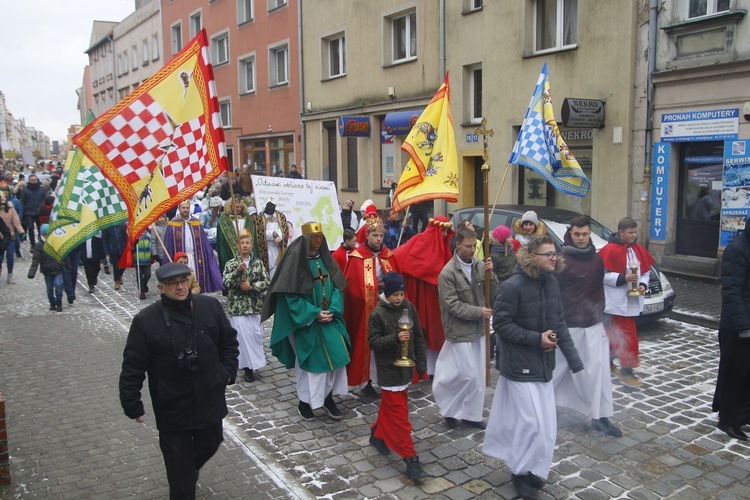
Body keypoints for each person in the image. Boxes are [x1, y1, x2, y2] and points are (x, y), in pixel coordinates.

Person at [119, 262, 239, 499]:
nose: (180, 287)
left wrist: (227, 371)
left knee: (211, 442)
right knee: (179, 472)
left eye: (184, 281)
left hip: (209, 398)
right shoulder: (146, 321)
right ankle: (182, 477)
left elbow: (228, 342)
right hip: (172, 405)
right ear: (161, 288)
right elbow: (133, 365)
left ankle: (187, 469)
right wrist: (131, 403)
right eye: (173, 284)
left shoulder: (210, 307)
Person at [484, 235, 583, 499]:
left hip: (543, 366)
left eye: (555, 253)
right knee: (530, 423)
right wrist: (535, 339)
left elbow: (559, 322)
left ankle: (533, 469)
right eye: (548, 253)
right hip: (518, 366)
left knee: (546, 425)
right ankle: (519, 471)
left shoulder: (551, 283)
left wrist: (575, 362)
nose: (554, 257)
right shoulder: (513, 286)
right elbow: (501, 325)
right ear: (532, 257)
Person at [262, 222, 350, 420]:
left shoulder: (325, 260)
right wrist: (314, 313)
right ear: (306, 238)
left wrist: (333, 310)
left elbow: (337, 286)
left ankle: (327, 398)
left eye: (320, 238)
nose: (318, 241)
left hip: (329, 319)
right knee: (309, 364)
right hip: (306, 322)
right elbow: (289, 298)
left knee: (336, 357)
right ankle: (304, 402)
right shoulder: (295, 262)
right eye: (314, 238)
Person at [552, 216, 621, 437]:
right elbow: (554, 293)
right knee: (556, 371)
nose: (581, 239)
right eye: (577, 234)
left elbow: (599, 288)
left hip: (592, 323)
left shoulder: (597, 260)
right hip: (567, 325)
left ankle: (600, 417)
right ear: (570, 234)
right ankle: (544, 409)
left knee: (598, 371)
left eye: (585, 234)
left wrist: (601, 312)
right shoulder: (560, 260)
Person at [433, 226, 497, 429]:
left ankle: (472, 415)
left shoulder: (480, 265)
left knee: (478, 376)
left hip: (478, 329)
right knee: (464, 374)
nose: (472, 249)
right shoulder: (447, 273)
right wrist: (479, 311)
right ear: (458, 244)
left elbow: (493, 292)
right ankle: (448, 407)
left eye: (474, 245)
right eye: (468, 246)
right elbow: (452, 305)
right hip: (459, 330)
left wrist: (491, 274)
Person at [368, 271, 428, 480]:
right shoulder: (377, 314)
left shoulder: (408, 308)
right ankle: (410, 458)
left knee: (391, 406)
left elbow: (418, 338)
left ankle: (377, 435)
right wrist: (395, 338)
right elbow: (373, 342)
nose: (400, 298)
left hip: (405, 369)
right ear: (388, 293)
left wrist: (421, 367)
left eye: (402, 294)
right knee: (400, 416)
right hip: (388, 370)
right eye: (396, 295)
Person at [344, 205, 400, 397]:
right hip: (365, 309)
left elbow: (396, 278)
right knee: (367, 342)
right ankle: (364, 381)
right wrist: (377, 289)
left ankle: (383, 376)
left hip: (384, 307)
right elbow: (353, 288)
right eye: (375, 235)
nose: (378, 239)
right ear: (367, 235)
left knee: (385, 341)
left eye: (381, 236)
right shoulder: (357, 257)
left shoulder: (387, 255)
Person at [393, 216, 454, 375]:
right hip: (418, 292)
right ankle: (420, 367)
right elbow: (398, 256)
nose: (445, 234)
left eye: (447, 230)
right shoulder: (419, 240)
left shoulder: (444, 245)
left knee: (436, 332)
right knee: (419, 330)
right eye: (443, 230)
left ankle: (433, 368)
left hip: (435, 295)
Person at [599, 217, 655, 387]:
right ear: (621, 232)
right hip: (616, 302)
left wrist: (643, 284)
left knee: (614, 335)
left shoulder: (637, 249)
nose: (633, 235)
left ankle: (607, 363)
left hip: (632, 299)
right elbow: (600, 274)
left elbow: (646, 271)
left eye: (635, 232)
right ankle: (627, 372)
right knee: (628, 336)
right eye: (630, 233)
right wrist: (623, 278)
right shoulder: (609, 250)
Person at [712, 214, 750, 441]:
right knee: (735, 375)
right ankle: (728, 420)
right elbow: (732, 292)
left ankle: (743, 415)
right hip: (737, 326)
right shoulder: (736, 249)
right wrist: (744, 326)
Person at [223, 229, 270, 383]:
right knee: (242, 339)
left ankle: (255, 363)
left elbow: (266, 282)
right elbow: (226, 282)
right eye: (241, 243)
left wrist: (251, 286)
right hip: (239, 308)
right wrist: (238, 272)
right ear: (237, 245)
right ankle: (247, 368)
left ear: (251, 245)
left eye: (247, 243)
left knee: (255, 336)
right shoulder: (231, 264)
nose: (244, 246)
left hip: (255, 306)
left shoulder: (258, 263)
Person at [164, 201, 223, 293]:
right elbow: (168, 244)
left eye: (187, 208)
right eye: (183, 208)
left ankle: (195, 296)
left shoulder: (196, 222)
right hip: (181, 259)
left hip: (196, 257)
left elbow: (204, 241)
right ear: (179, 208)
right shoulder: (172, 224)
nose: (185, 210)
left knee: (196, 279)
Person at [27, 223, 65, 312]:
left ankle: (59, 302)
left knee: (58, 285)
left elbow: (63, 254)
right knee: (49, 288)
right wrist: (32, 272)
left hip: (57, 268)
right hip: (47, 270)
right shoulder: (39, 245)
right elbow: (36, 260)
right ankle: (52, 302)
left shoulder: (56, 242)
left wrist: (66, 264)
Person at [217, 196, 258, 275]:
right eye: (236, 207)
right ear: (231, 206)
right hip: (230, 252)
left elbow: (252, 237)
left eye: (240, 207)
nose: (238, 209)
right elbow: (221, 240)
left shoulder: (247, 218)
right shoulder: (224, 219)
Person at [255, 200, 290, 280]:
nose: (271, 208)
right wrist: (273, 234)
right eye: (269, 206)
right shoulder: (260, 217)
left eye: (272, 206)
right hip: (267, 249)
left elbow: (284, 229)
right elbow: (260, 233)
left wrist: (279, 236)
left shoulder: (280, 215)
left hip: (279, 247)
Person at [0, 189, 26, 284]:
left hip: (10, 237)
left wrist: (22, 232)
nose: (2, 199)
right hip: (0, 238)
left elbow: (16, 222)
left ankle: (10, 275)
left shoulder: (10, 209)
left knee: (10, 256)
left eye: (2, 197)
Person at [20, 174, 45, 248]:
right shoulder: (25, 190)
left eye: (35, 180)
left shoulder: (41, 189)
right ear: (29, 181)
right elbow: (23, 201)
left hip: (39, 212)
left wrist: (43, 208)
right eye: (32, 180)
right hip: (29, 212)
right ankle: (32, 244)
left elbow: (45, 199)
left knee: (40, 228)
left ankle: (41, 242)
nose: (34, 182)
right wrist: (24, 209)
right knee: (30, 228)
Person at [102, 222, 128, 291]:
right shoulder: (106, 228)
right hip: (113, 250)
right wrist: (106, 251)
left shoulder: (121, 225)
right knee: (116, 266)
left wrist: (127, 246)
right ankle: (116, 281)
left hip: (122, 249)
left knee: (124, 264)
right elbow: (104, 240)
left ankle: (120, 275)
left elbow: (125, 236)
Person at [132, 231, 153, 300]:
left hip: (147, 258)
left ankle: (144, 284)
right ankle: (141, 291)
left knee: (148, 274)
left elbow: (151, 245)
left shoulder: (148, 235)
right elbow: (131, 247)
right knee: (139, 275)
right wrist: (135, 242)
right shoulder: (136, 235)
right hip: (138, 259)